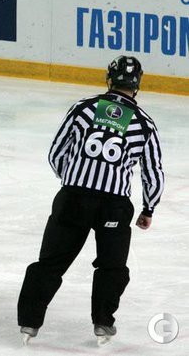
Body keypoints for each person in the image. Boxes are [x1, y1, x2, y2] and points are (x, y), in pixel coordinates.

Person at [17, 56, 164, 345]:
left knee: (50, 263)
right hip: (114, 206)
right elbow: (153, 172)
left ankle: (29, 323)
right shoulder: (144, 123)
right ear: (137, 84)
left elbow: (56, 153)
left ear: (109, 79)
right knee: (112, 267)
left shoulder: (83, 108)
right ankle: (102, 323)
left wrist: (75, 181)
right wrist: (149, 208)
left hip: (73, 199)